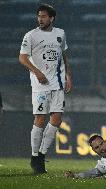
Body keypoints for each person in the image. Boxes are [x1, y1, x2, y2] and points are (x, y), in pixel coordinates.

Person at [19, 4, 72, 174]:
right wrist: (37, 72)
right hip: (40, 85)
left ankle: (41, 155)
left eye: (43, 16)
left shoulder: (60, 34)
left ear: (51, 18)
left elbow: (64, 56)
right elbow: (22, 58)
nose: (40, 19)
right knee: (40, 120)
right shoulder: (31, 35)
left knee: (56, 120)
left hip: (57, 84)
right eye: (38, 16)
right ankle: (35, 156)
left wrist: (68, 76)